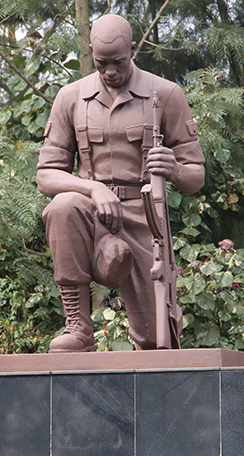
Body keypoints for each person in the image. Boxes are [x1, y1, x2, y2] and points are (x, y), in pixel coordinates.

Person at [37, 14, 205, 352]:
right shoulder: (70, 98)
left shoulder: (166, 94)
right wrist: (93, 189)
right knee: (62, 206)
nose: (110, 71)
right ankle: (78, 328)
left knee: (157, 341)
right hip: (92, 214)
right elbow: (46, 175)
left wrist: (173, 167)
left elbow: (195, 176)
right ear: (91, 53)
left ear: (132, 50)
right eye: (101, 63)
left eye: (118, 62)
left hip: (144, 217)